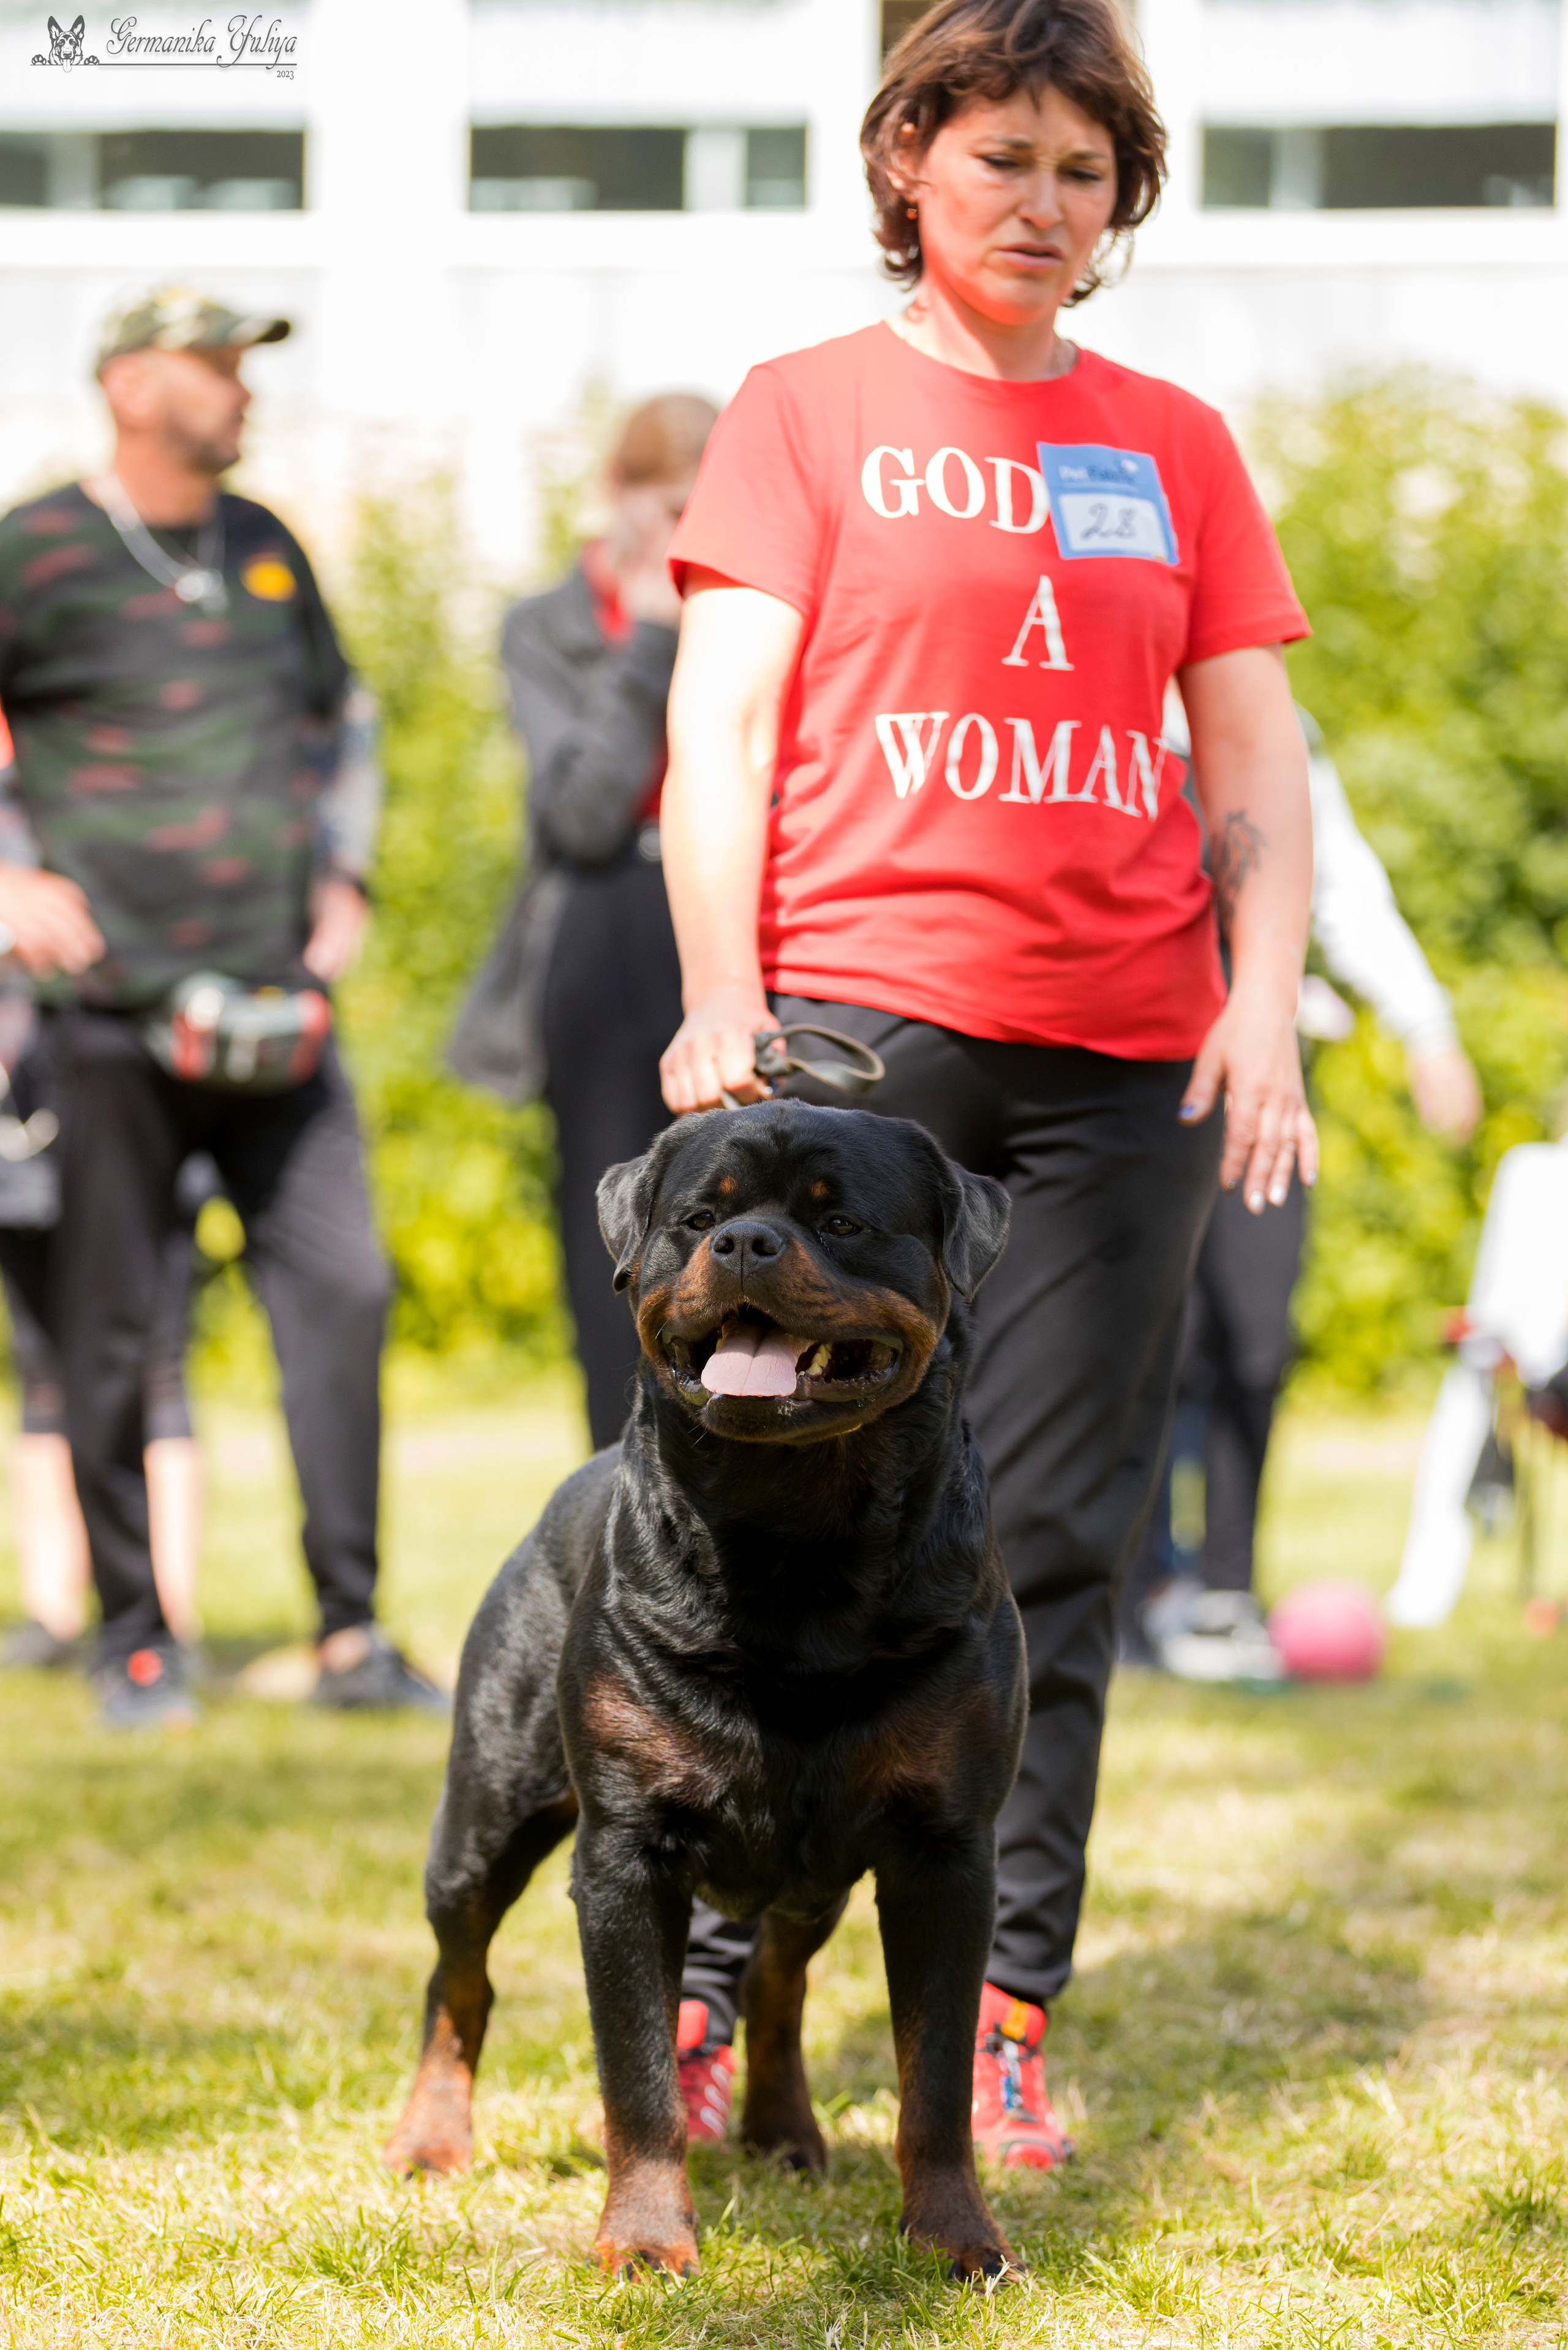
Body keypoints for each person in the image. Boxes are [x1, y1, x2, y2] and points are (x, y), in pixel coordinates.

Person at [654, 0, 1314, 2168]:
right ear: (910, 162)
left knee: (1052, 1542)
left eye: (1083, 166)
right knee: (767, 1511)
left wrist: (1261, 992)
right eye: (999, 154)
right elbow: (726, 732)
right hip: (860, 1028)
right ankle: (704, 1984)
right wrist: (719, 991)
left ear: (1124, 195)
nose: (1042, 203)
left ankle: (1006, 1998)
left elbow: (1253, 767)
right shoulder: (808, 411)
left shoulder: (1177, 444)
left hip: (1124, 1059)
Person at [0, 285, 441, 1727]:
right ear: (133, 384)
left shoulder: (267, 548)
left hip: (279, 1011)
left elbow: (347, 718)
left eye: (246, 368)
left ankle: (349, 1630)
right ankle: (134, 1633)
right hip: (109, 1017)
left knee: (346, 1292)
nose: (243, 391)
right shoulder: (41, 548)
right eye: (216, 367)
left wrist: (349, 881)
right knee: (110, 1327)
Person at [1125, 704, 1482, 1678]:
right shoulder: (1105, 699)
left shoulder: (1278, 724)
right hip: (1133, 1061)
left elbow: (1343, 886)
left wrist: (1428, 1027)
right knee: (1160, 1339)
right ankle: (1143, 1588)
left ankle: (1228, 1589)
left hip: (1263, 1065)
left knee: (1255, 1330)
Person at [450, 394, 717, 1449]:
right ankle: (620, 1477)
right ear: (622, 493)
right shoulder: (550, 625)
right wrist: (654, 633)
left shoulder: (756, 604)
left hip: (729, 922)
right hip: (605, 935)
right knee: (616, 1233)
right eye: (679, 507)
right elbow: (581, 812)